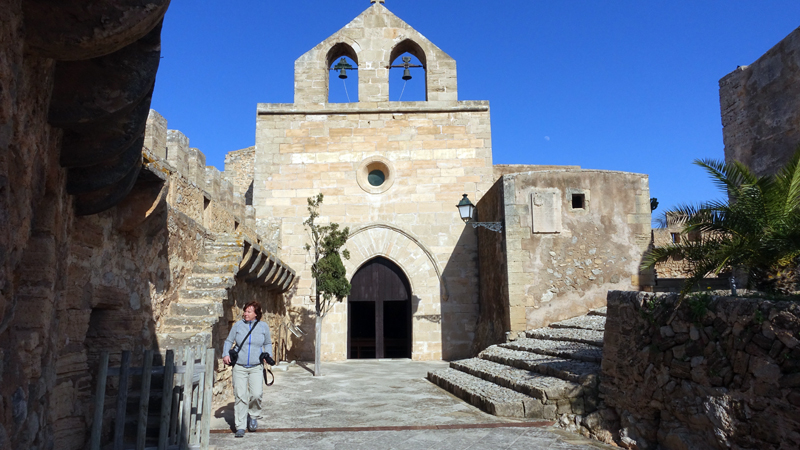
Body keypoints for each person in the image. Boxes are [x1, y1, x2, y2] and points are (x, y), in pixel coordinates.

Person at [222, 301, 273, 438]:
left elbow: (267, 343)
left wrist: (268, 355)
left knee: (256, 394)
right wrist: (225, 354)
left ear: (256, 314)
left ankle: (254, 416)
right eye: (245, 311)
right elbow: (228, 341)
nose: (245, 313)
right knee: (240, 396)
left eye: (249, 311)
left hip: (256, 366)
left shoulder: (263, 327)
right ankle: (240, 426)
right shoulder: (238, 326)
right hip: (239, 366)